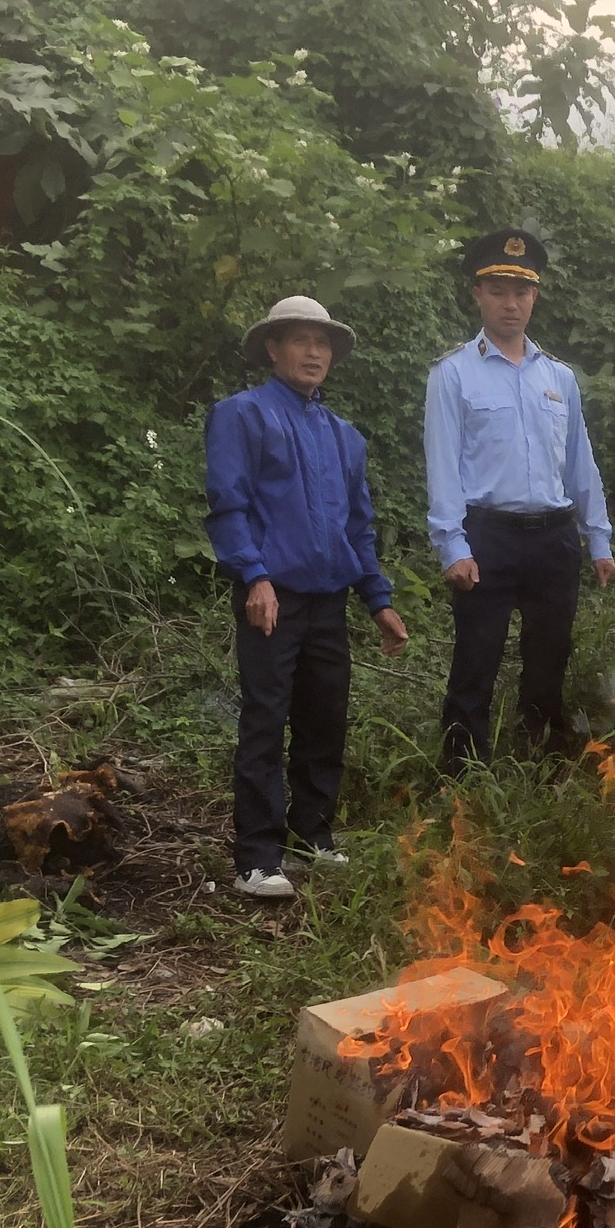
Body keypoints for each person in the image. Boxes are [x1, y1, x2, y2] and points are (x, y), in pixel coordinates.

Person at [204, 294, 410, 901]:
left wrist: (379, 600)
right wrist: (254, 576)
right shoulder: (241, 415)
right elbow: (228, 504)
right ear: (273, 348)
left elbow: (357, 527)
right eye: (300, 339)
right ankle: (256, 858)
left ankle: (312, 836)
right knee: (265, 721)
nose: (314, 351)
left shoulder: (344, 437)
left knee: (325, 721)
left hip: (329, 603)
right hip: (272, 597)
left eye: (323, 343)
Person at [424, 230, 615, 767]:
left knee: (550, 655)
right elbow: (442, 465)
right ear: (478, 294)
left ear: (535, 297)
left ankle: (542, 760)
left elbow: (581, 461)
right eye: (499, 290)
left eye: (522, 292)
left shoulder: (559, 377)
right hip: (487, 536)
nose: (511, 303)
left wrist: (598, 539)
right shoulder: (453, 374)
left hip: (553, 538)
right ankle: (461, 773)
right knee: (476, 657)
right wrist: (452, 546)